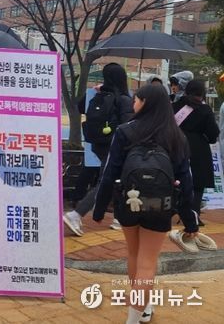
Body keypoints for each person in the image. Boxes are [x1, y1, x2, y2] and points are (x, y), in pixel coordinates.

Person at [93, 84, 198, 324]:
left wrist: (99, 210)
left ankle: (141, 310)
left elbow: (109, 173)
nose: (134, 103)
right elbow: (186, 181)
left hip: (128, 202)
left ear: (145, 103)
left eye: (137, 99)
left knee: (134, 254)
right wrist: (190, 220)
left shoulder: (124, 131)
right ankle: (138, 314)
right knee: (147, 262)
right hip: (161, 206)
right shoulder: (176, 136)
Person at [64, 63, 134, 236]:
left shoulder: (99, 94)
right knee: (106, 182)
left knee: (117, 179)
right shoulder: (123, 99)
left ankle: (118, 218)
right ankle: (76, 214)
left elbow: (80, 107)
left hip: (97, 145)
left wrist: (95, 91)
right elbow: (128, 126)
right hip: (116, 147)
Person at [173, 79, 220, 225]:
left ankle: (174, 209)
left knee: (176, 179)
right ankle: (193, 214)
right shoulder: (205, 110)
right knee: (197, 183)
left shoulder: (175, 106)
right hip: (198, 149)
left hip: (176, 146)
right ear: (202, 93)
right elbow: (213, 135)